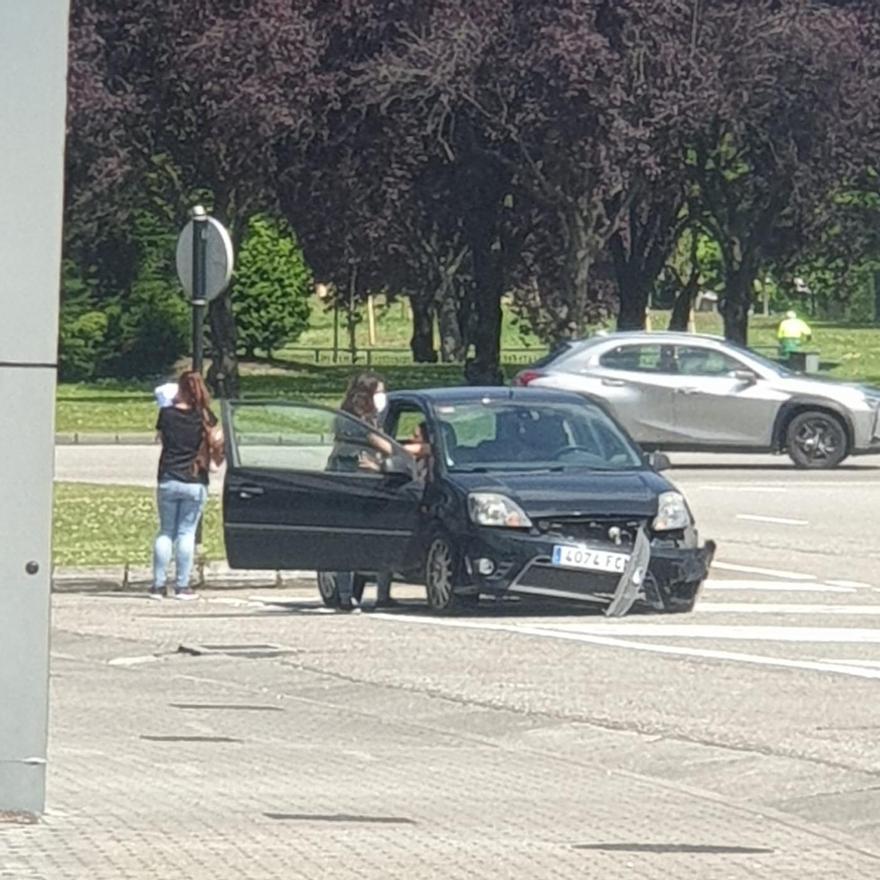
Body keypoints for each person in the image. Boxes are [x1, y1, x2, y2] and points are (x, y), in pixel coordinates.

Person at [329, 372, 430, 611]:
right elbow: (385, 447)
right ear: (364, 395)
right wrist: (416, 450)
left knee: (381, 537)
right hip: (350, 485)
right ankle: (345, 596)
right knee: (348, 541)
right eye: (378, 393)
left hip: (373, 484)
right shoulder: (351, 420)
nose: (382, 398)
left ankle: (383, 595)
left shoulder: (373, 419)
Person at [150, 371, 224, 600]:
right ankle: (182, 586)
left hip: (169, 477)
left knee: (166, 532)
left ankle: (158, 585)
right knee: (186, 533)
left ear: (180, 388)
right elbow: (216, 443)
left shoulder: (167, 414)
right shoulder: (205, 416)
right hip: (195, 479)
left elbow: (163, 439)